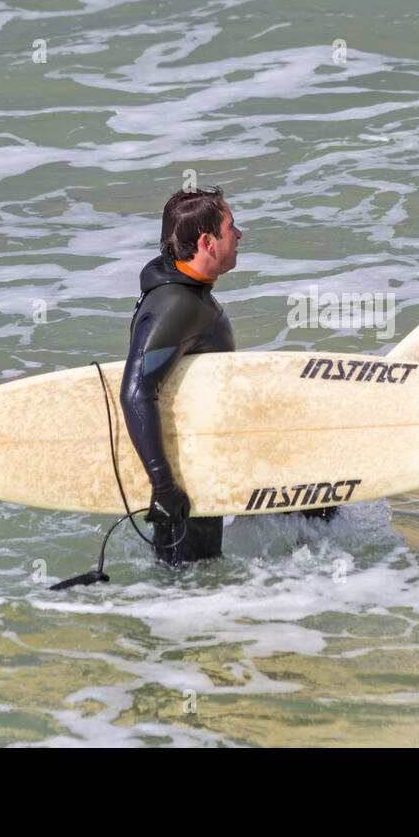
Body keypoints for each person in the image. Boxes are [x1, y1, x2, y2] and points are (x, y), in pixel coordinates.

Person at [121, 187, 333, 567]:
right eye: (231, 228)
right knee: (189, 580)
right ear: (206, 242)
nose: (239, 235)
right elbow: (136, 393)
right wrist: (164, 487)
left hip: (209, 460)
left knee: (320, 508)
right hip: (186, 481)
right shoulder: (174, 305)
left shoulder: (188, 292)